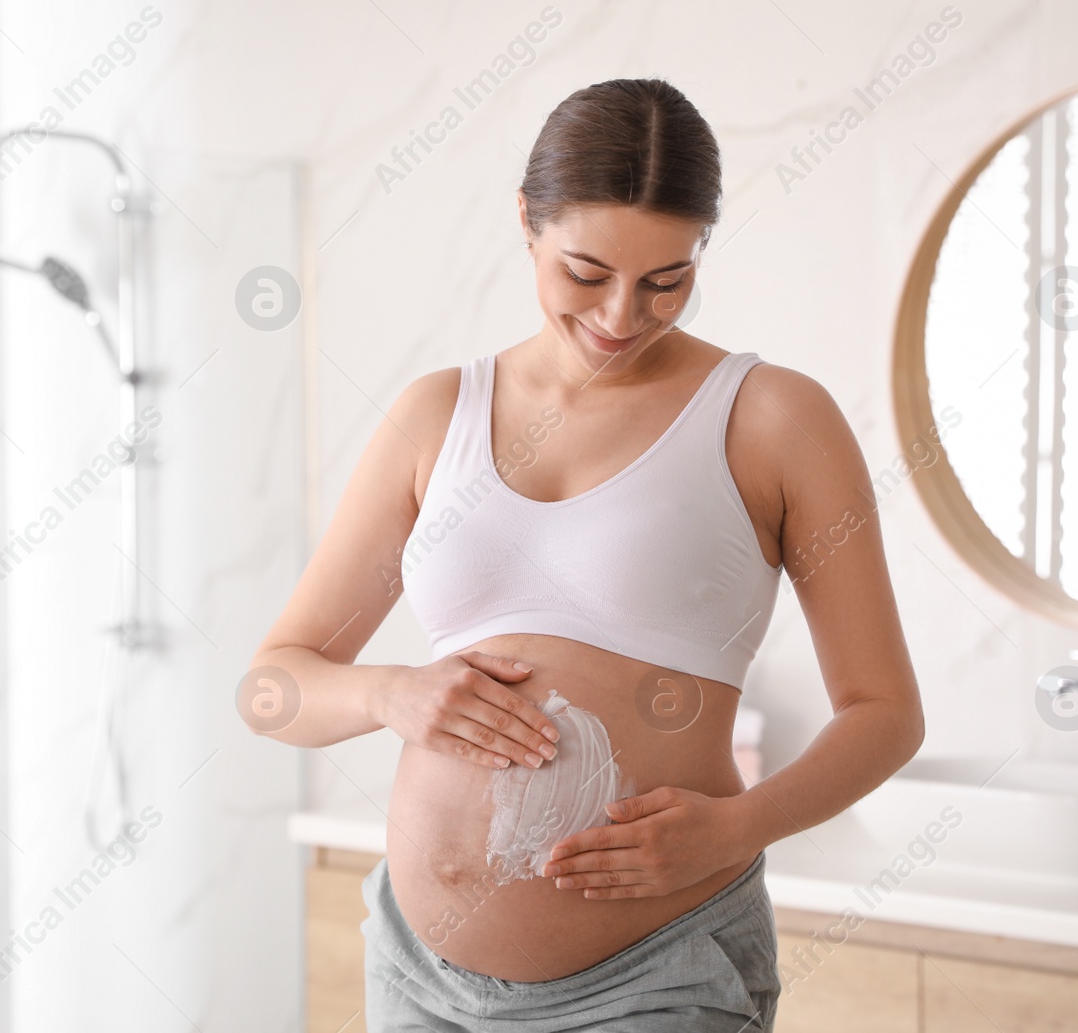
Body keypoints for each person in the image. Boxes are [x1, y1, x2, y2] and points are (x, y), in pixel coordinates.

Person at [245, 77, 924, 1031]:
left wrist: (735, 827)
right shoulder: (438, 414)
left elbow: (886, 714)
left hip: (655, 973)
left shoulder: (772, 418)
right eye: (586, 271)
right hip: (416, 973)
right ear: (527, 221)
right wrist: (389, 692)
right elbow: (274, 688)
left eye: (666, 281)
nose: (619, 317)